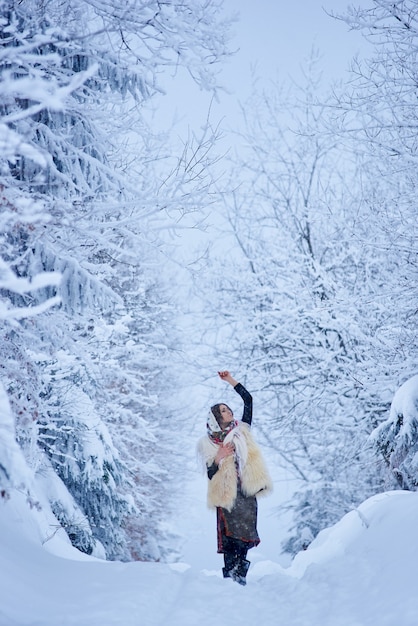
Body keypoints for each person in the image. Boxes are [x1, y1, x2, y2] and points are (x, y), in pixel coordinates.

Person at [197, 371, 273, 585]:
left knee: (245, 535)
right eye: (223, 410)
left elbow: (248, 400)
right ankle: (229, 580)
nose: (229, 411)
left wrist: (230, 380)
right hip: (226, 493)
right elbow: (211, 474)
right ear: (216, 418)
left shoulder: (242, 430)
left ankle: (240, 578)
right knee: (230, 538)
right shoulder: (208, 443)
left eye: (228, 408)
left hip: (246, 491)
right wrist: (219, 457)